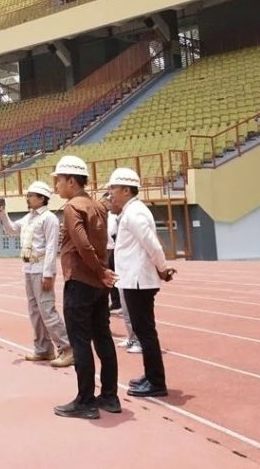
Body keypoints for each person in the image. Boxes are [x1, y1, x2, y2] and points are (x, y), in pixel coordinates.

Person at [50, 156, 120, 420]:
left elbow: (82, 245)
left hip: (80, 281)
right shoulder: (98, 207)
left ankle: (86, 401)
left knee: (80, 342)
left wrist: (99, 270)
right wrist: (102, 272)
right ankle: (110, 396)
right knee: (103, 337)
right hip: (99, 285)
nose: (56, 185)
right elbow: (100, 244)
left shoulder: (72, 207)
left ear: (71, 180)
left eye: (58, 180)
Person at [108, 168, 175, 398]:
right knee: (142, 330)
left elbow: (152, 244)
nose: (111, 194)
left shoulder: (135, 213)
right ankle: (151, 376)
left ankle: (156, 382)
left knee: (145, 332)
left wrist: (163, 268)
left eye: (113, 189)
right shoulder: (130, 211)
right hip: (133, 279)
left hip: (138, 281)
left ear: (126, 190)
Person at [0, 181, 73, 367]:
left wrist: (48, 274)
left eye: (31, 195)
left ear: (41, 198)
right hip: (29, 269)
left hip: (41, 270)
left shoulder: (49, 219)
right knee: (34, 311)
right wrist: (2, 212)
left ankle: (68, 349)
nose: (28, 198)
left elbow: (51, 247)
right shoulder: (29, 218)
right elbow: (11, 229)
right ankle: (43, 349)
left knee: (47, 310)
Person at [103, 193, 140, 354]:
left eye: (111, 201)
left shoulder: (130, 216)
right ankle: (131, 337)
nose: (109, 204)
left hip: (131, 268)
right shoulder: (116, 217)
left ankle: (138, 340)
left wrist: (161, 267)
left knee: (134, 308)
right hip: (120, 263)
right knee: (125, 307)